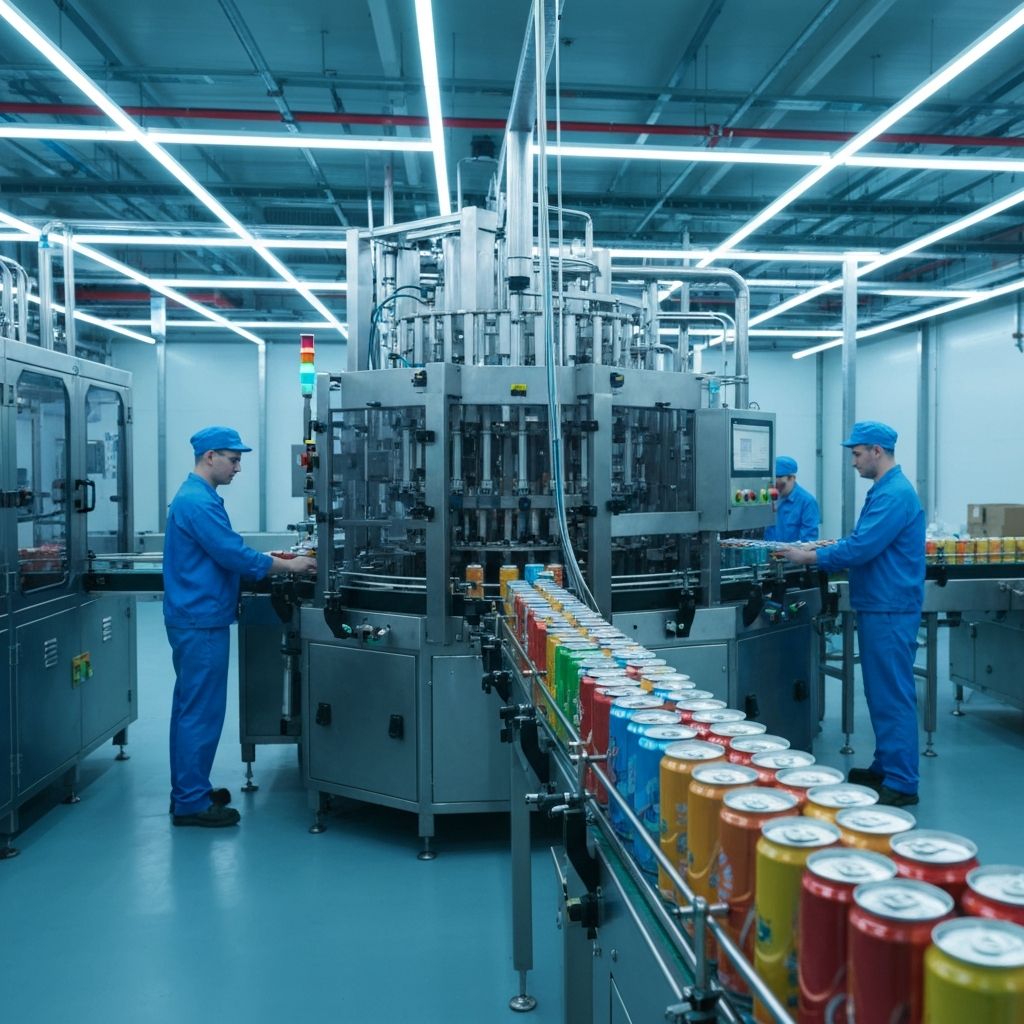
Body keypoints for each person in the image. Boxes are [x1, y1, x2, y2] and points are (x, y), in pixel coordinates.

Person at [164, 426, 317, 828]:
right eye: (233, 459)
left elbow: (224, 551)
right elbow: (231, 553)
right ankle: (191, 803)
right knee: (200, 711)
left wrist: (265, 557)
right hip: (201, 618)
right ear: (210, 456)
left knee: (191, 708)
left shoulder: (199, 497)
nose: (238, 468)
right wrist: (289, 564)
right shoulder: (197, 502)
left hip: (198, 614)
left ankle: (190, 789)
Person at [779, 421, 924, 807]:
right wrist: (832, 546)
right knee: (880, 692)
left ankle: (903, 781)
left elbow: (863, 548)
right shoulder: (884, 490)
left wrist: (812, 555)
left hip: (890, 606)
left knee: (892, 694)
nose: (854, 462)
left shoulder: (894, 494)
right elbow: (864, 541)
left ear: (877, 451)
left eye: (857, 454)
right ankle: (885, 767)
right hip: (880, 602)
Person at [764, 455, 820, 543]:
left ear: (792, 478)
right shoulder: (769, 496)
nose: (775, 488)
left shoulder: (807, 502)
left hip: (792, 555)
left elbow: (808, 541)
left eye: (780, 484)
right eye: (773, 483)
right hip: (767, 553)